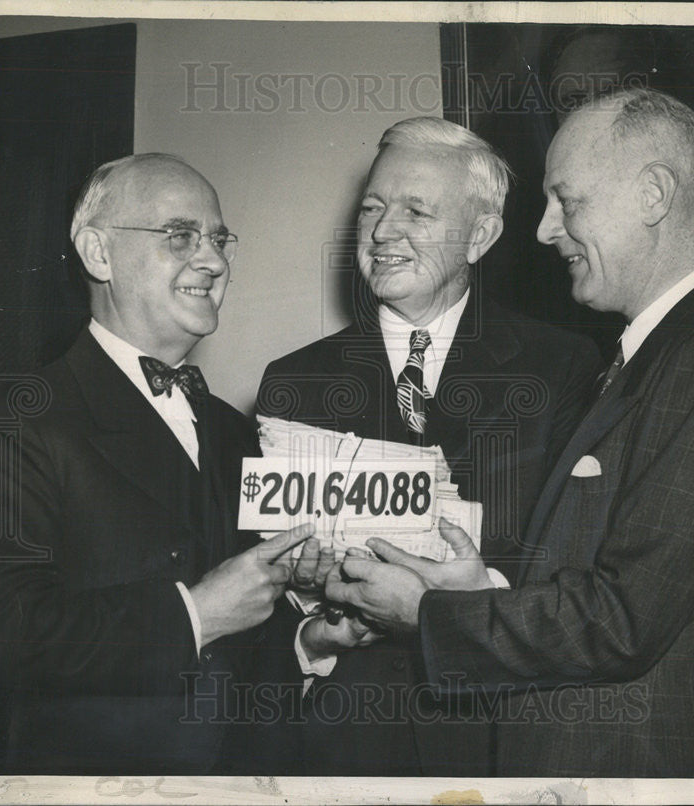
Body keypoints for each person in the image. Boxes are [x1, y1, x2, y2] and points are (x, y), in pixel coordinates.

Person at [325, 89, 694, 778]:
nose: (543, 229)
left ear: (654, 195)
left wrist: (432, 614)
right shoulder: (659, 355)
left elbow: (622, 619)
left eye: (569, 201)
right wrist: (482, 595)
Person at [256, 117, 600, 776]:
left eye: (415, 211)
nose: (384, 232)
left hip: (496, 741)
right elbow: (264, 593)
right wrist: (313, 635)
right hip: (345, 747)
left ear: (481, 234)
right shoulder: (292, 384)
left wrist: (476, 598)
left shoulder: (561, 368)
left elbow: (579, 580)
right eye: (373, 209)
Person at [0, 153, 317, 774]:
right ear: (98, 254)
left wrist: (310, 640)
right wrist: (195, 613)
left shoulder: (238, 432)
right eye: (180, 236)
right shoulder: (18, 419)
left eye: (218, 239)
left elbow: (244, 637)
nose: (214, 261)